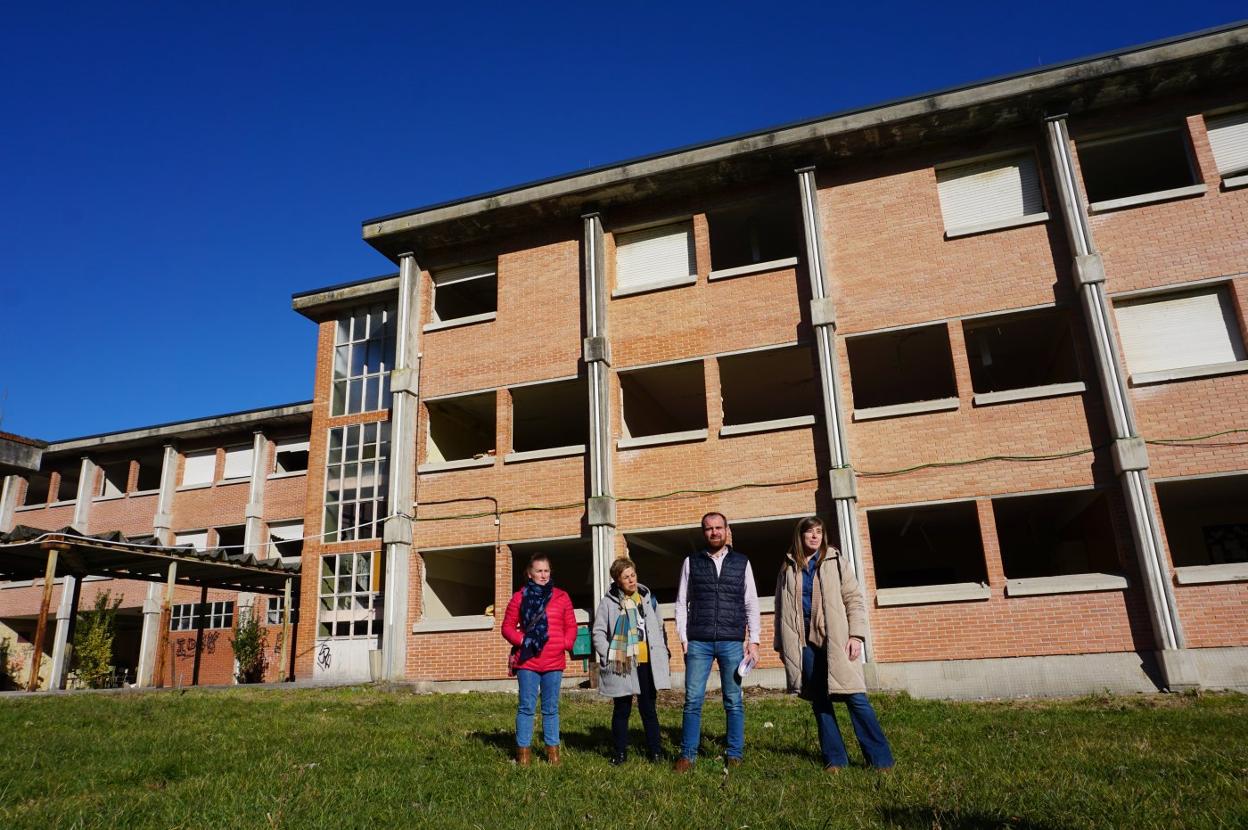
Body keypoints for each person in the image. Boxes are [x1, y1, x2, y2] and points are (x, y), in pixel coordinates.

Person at [774, 516, 894, 771]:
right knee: (820, 701)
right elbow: (780, 609)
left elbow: (854, 599)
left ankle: (880, 760)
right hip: (803, 644)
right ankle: (835, 759)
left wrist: (856, 635)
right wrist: (781, 645)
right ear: (800, 536)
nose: (814, 536)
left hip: (837, 640)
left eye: (819, 532)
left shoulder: (836, 560)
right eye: (810, 532)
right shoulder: (788, 566)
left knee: (856, 697)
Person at [673, 511, 761, 772]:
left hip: (731, 641)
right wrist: (684, 638)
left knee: (733, 700)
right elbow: (681, 603)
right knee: (692, 700)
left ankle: (734, 754)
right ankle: (687, 755)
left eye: (719, 527)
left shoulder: (742, 562)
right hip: (698, 642)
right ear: (704, 533)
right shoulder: (691, 562)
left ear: (727, 530)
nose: (714, 532)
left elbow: (751, 603)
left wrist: (753, 641)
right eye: (709, 528)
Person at [592, 557, 672, 765]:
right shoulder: (608, 603)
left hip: (647, 663)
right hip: (623, 663)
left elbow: (659, 627)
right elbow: (598, 632)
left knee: (649, 709)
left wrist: (663, 651)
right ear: (617, 581)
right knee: (622, 710)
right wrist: (608, 655)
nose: (631, 580)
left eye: (633, 575)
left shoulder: (647, 598)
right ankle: (620, 753)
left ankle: (656, 752)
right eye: (626, 577)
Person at [502, 553, 577, 766]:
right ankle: (523, 754)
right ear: (530, 573)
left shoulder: (561, 597)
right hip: (528, 661)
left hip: (554, 660)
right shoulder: (519, 597)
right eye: (539, 571)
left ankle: (553, 754)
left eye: (546, 571)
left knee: (551, 708)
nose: (543, 575)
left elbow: (571, 626)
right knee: (526, 707)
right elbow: (507, 627)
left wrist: (565, 643)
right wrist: (522, 640)